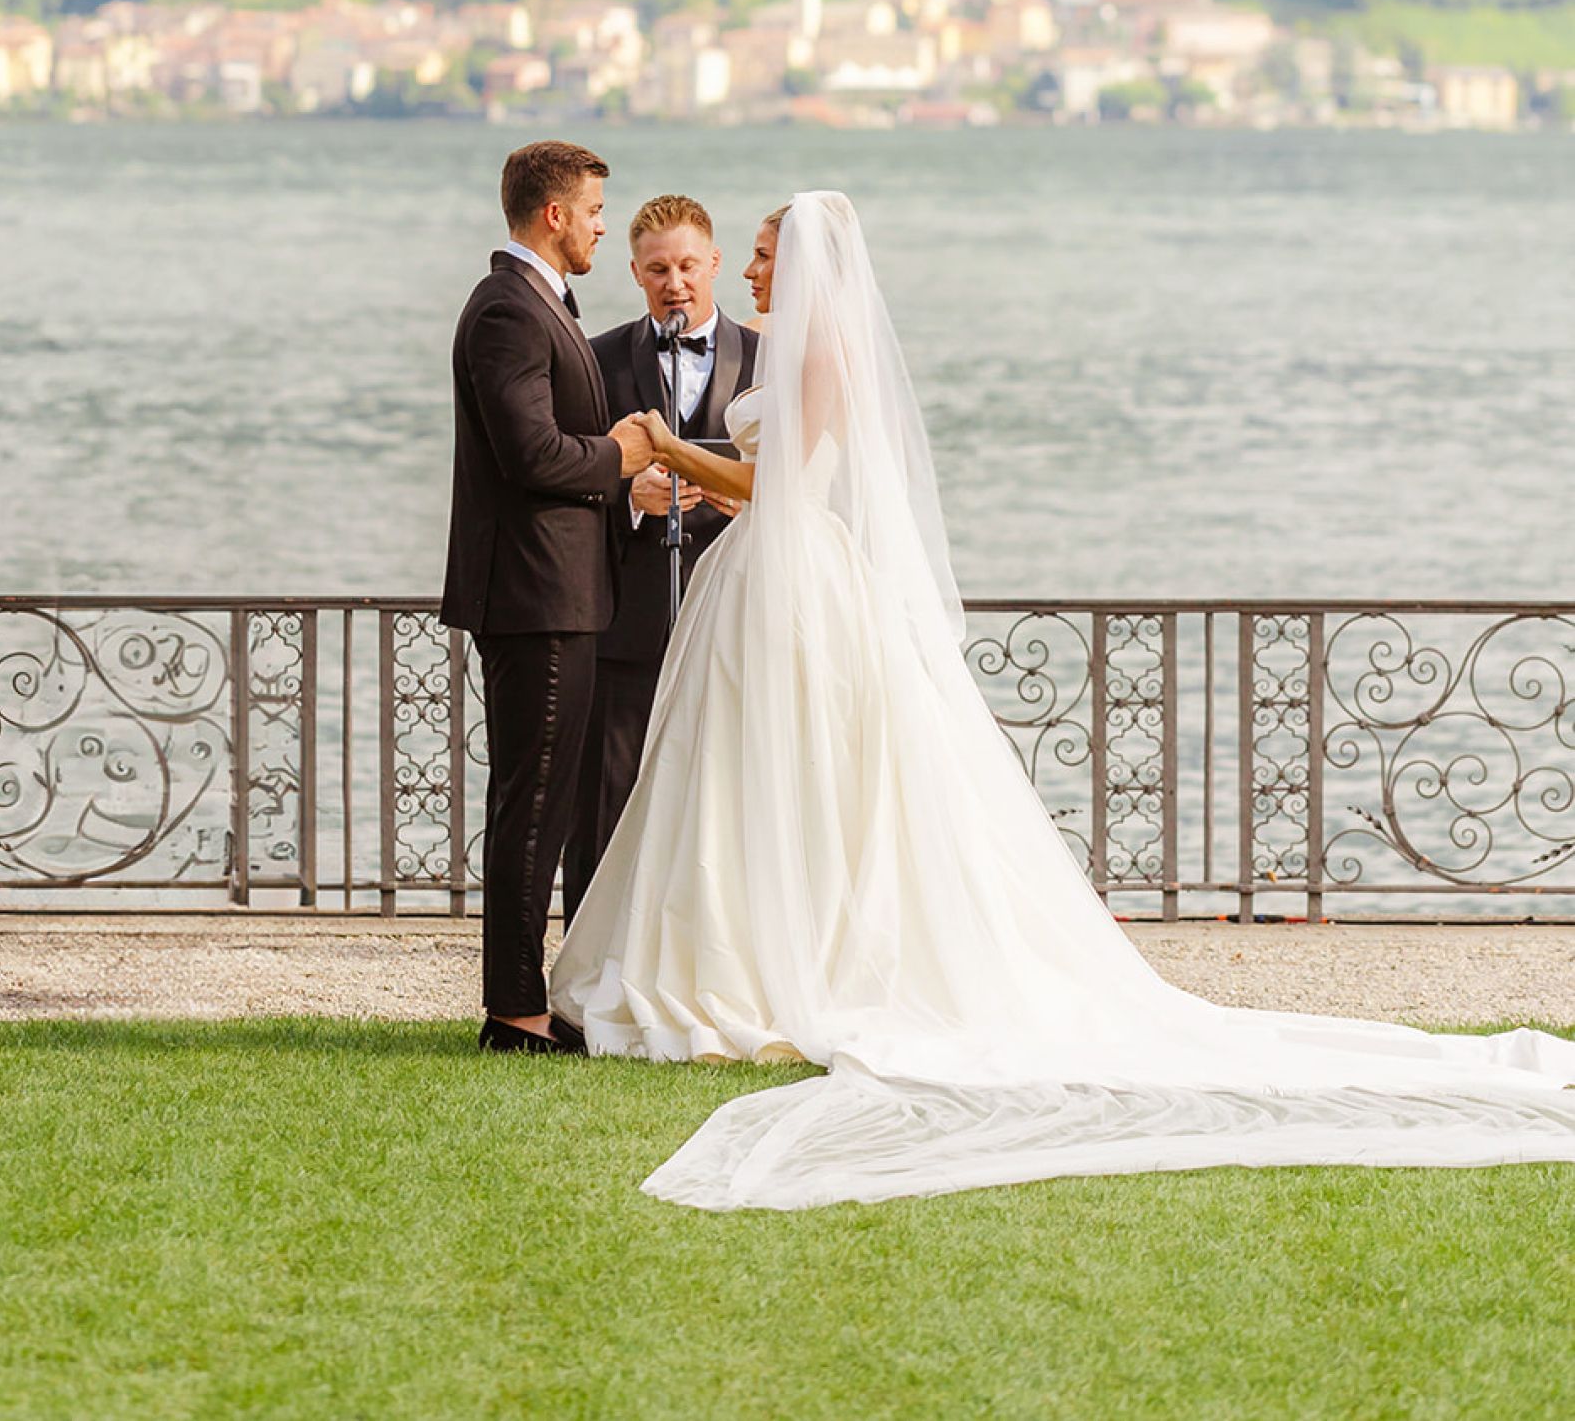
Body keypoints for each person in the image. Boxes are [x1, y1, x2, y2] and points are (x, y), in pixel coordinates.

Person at [553, 191, 1575, 1206]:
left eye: (766, 253)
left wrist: (664, 450)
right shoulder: (798, 350)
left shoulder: (820, 355)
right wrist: (687, 471)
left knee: (788, 770)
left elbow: (784, 489)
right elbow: (767, 473)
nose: (753, 273)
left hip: (792, 573)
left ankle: (778, 960)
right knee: (751, 775)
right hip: (768, 575)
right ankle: (755, 949)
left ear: (806, 261)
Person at [441, 140, 654, 1055]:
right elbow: (531, 454)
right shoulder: (508, 311)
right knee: (531, 806)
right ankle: (515, 1013)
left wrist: (621, 484)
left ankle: (536, 999)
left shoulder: (539, 305)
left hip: (563, 593)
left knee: (548, 803)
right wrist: (620, 457)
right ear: (553, 214)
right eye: (597, 209)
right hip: (536, 596)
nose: (605, 224)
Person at [561, 194, 761, 921]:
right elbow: (569, 478)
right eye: (656, 270)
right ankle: (588, 971)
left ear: (713, 263)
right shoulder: (597, 358)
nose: (674, 282)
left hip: (738, 618)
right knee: (605, 803)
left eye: (686, 265)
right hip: (628, 622)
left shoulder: (770, 362)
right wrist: (626, 492)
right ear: (636, 275)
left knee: (729, 802)